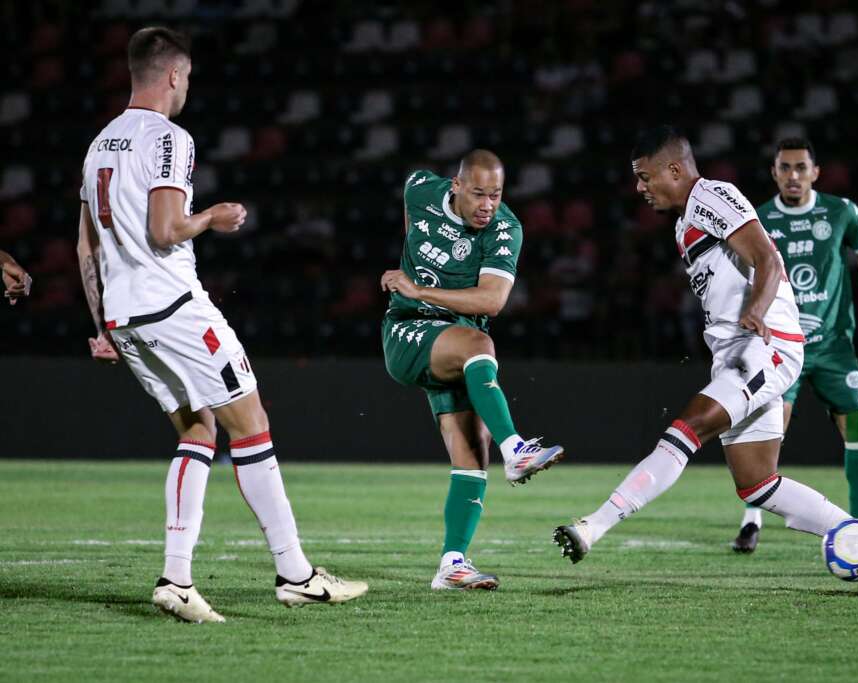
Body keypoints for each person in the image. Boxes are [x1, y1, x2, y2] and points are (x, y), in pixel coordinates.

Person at [76, 26, 366, 623]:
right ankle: (296, 574)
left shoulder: (99, 144)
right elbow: (163, 230)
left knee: (198, 431)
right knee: (250, 422)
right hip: (174, 306)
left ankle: (176, 581)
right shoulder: (168, 138)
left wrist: (102, 325)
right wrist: (210, 216)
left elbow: (85, 247)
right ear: (176, 75)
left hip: (124, 315)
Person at [552, 126, 858, 596]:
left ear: (675, 170)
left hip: (765, 346)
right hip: (740, 353)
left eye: (645, 177)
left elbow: (767, 259)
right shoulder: (685, 221)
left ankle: (592, 527)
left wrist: (756, 312)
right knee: (757, 484)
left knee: (688, 428)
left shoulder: (711, 196)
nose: (640, 188)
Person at [380, 150, 564, 590]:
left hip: (457, 338)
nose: (487, 205)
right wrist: (413, 293)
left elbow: (493, 301)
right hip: (408, 330)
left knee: (472, 454)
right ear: (456, 186)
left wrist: (420, 287)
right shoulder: (420, 189)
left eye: (496, 195)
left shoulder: (506, 228)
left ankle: (452, 564)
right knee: (481, 345)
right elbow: (414, 223)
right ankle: (517, 449)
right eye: (478, 193)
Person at [731, 138, 858, 553]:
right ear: (774, 173)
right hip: (782, 344)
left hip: (834, 345)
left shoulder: (842, 212)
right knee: (769, 432)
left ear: (815, 172)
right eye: (784, 168)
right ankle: (751, 523)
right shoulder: (760, 219)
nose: (793, 175)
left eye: (801, 167)